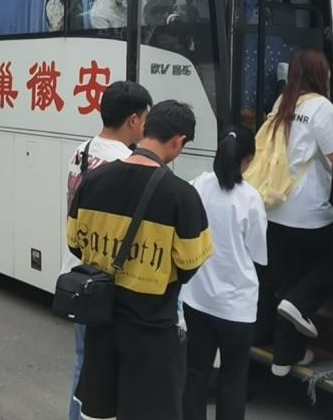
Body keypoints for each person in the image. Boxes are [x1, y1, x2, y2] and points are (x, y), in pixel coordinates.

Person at [69, 100, 213, 420]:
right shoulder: (182, 195)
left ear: (145, 128)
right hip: (152, 335)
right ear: (178, 141)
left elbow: (75, 243)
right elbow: (190, 264)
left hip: (101, 329)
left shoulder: (93, 180)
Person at [63, 81, 153, 420]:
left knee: (83, 363)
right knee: (104, 373)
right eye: (145, 118)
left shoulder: (82, 150)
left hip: (78, 274)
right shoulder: (127, 162)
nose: (146, 126)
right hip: (108, 284)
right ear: (133, 119)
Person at [181, 127, 267, 420]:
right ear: (248, 160)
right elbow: (258, 252)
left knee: (196, 373)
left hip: (197, 298)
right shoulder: (250, 198)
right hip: (236, 306)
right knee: (233, 378)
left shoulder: (199, 185)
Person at [263, 48, 333, 376]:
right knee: (332, 262)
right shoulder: (322, 107)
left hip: (276, 208)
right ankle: (300, 305)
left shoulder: (283, 103)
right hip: (308, 211)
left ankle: (285, 356)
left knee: (289, 284)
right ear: (320, 74)